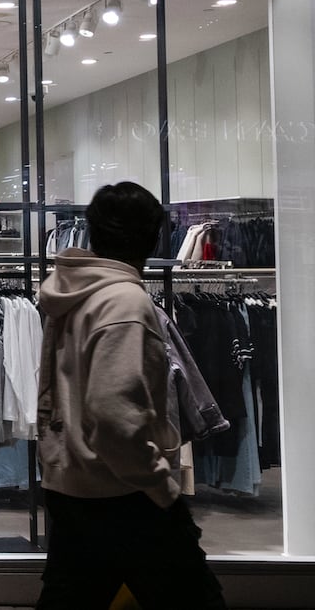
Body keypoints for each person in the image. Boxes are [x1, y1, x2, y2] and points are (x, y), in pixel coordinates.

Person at [35, 181, 225, 609]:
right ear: (153, 235)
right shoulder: (124, 302)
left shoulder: (71, 292)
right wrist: (160, 485)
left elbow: (54, 391)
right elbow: (114, 414)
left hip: (72, 483)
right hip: (122, 493)